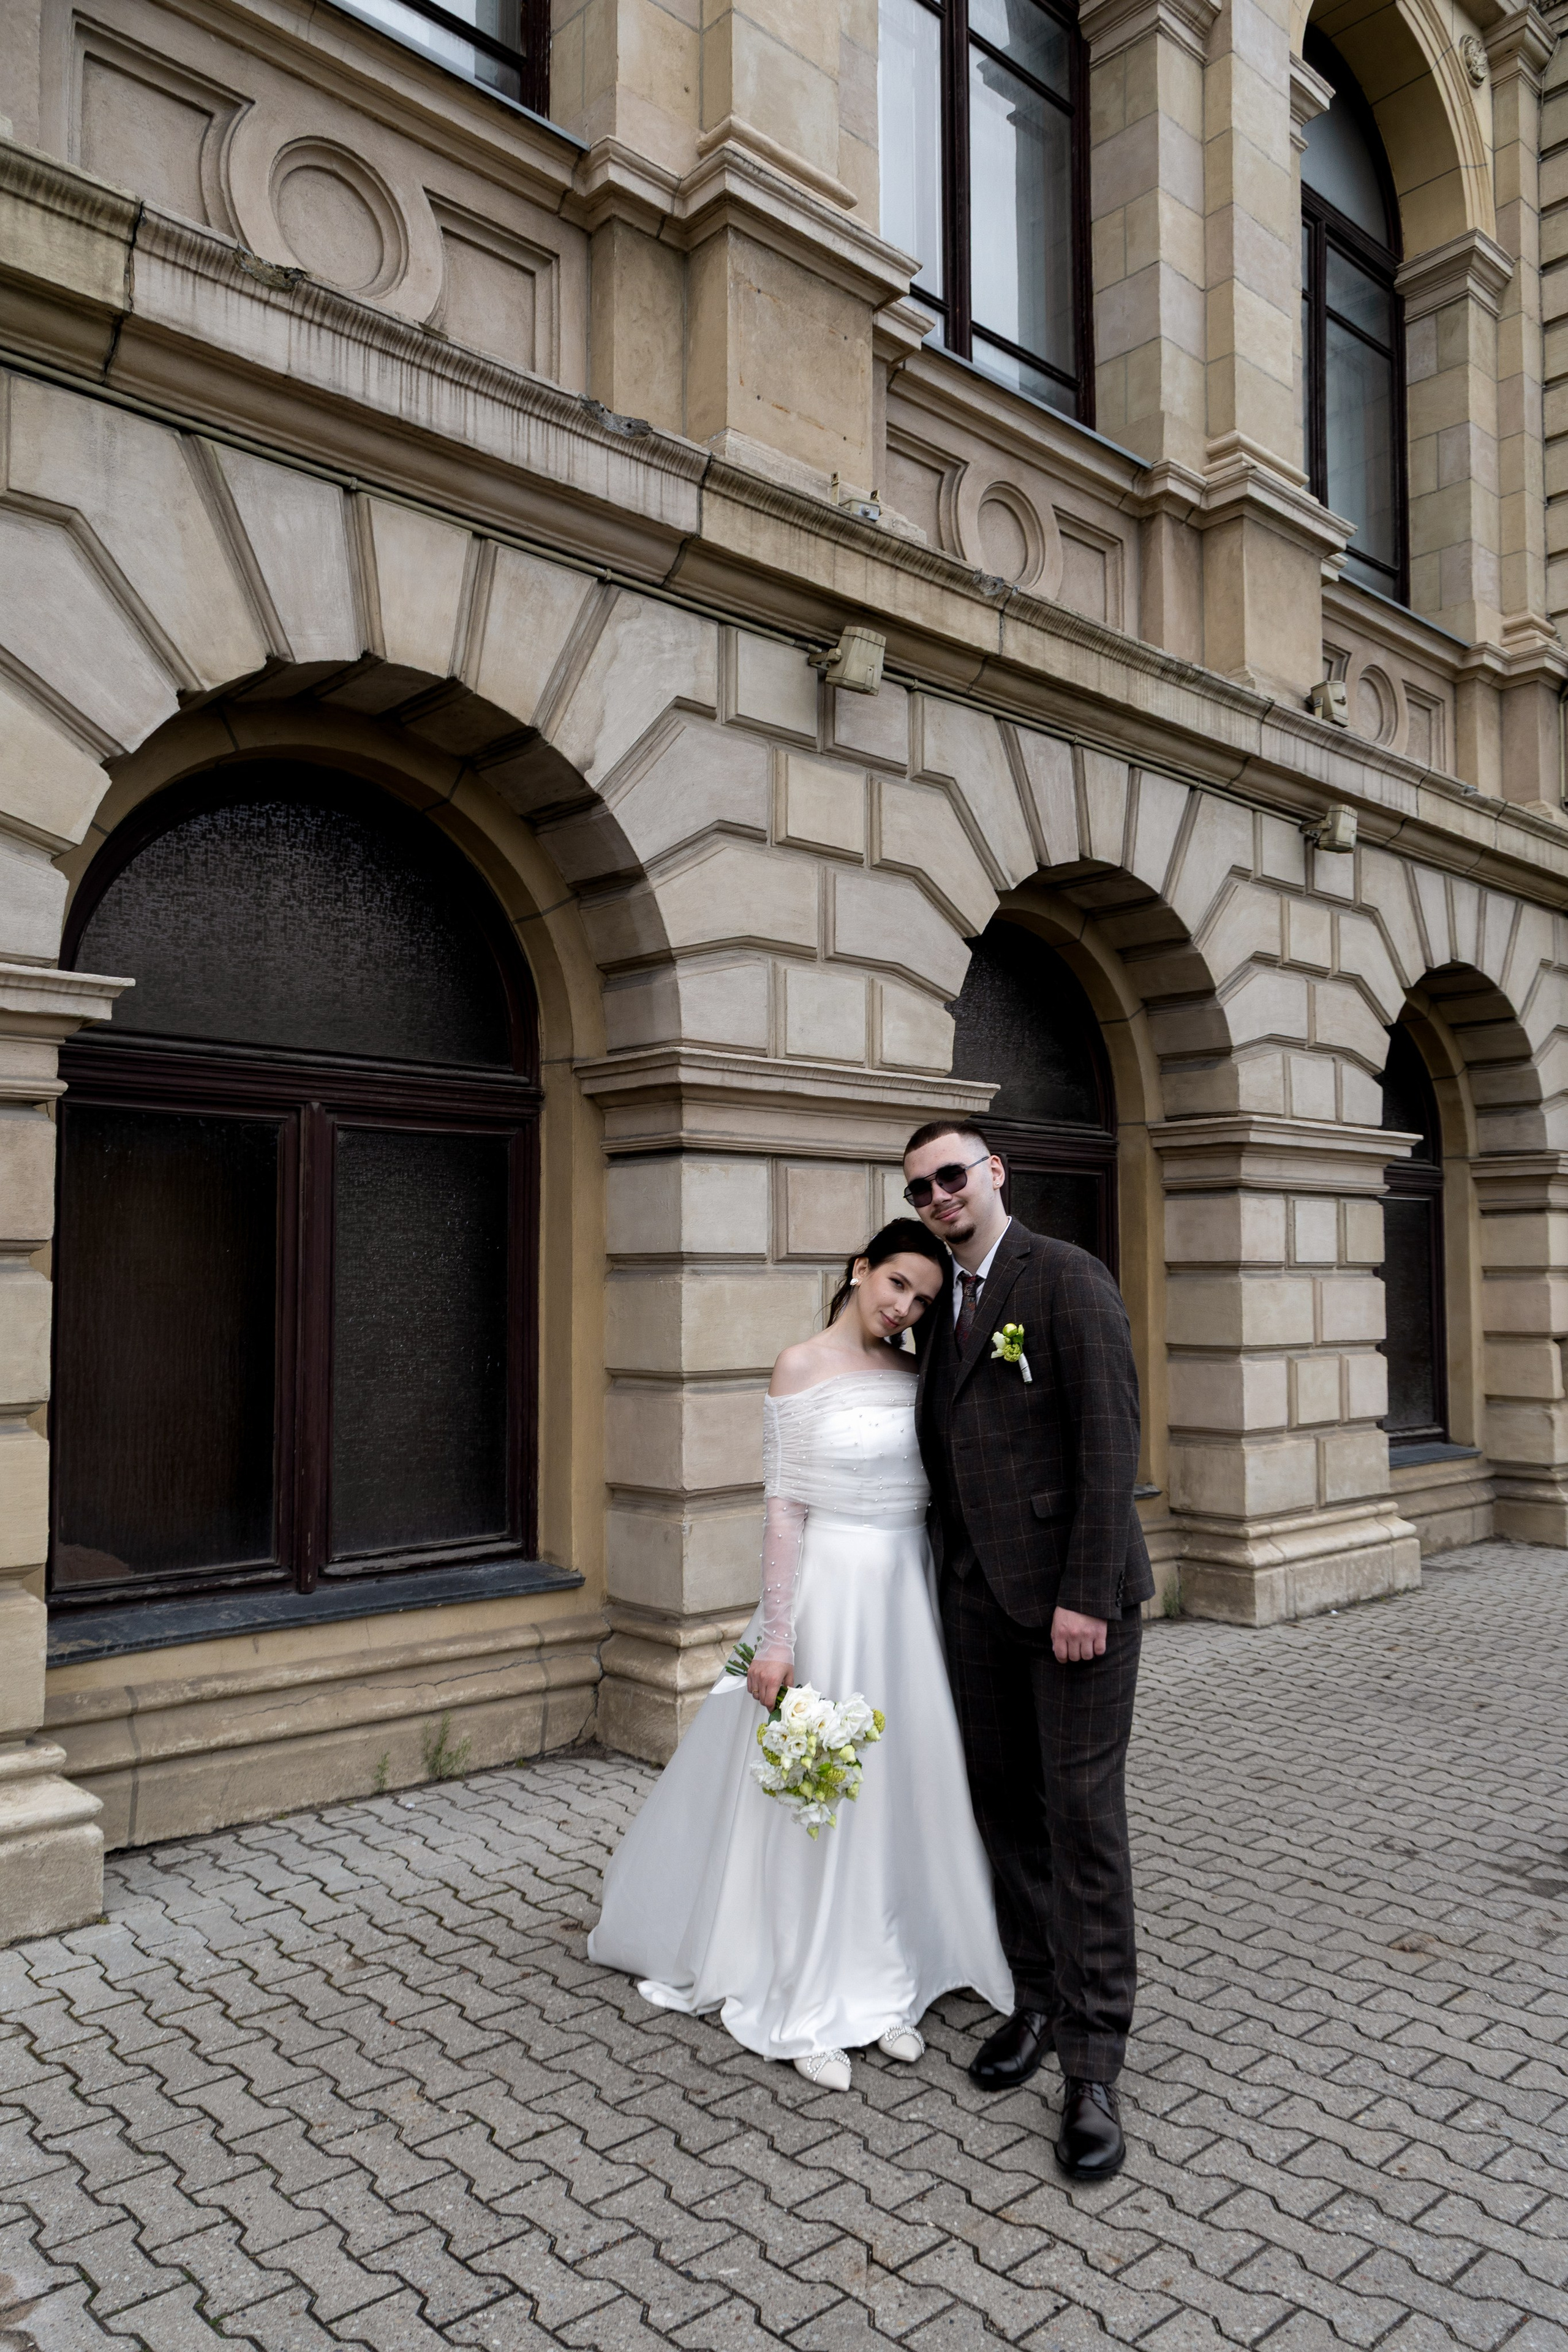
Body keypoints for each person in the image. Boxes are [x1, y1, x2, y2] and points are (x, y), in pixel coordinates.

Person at [588, 1218, 1013, 2091]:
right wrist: (776, 1641)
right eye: (897, 1284)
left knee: (896, 1783)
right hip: (833, 1595)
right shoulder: (799, 1366)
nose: (905, 1309)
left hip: (905, 1599)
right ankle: (807, 1991)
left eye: (924, 1300)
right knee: (820, 1786)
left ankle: (886, 1973)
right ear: (861, 1270)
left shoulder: (918, 1372)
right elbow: (785, 1512)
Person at [903, 1118, 1152, 2179]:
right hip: (974, 1603)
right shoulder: (942, 1305)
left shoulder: (1067, 1278)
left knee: (1080, 1821)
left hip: (1069, 1608)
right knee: (1003, 1808)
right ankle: (1039, 1998)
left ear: (995, 1173)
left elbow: (1111, 1438)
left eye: (952, 1176)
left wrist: (1086, 1593)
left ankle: (1093, 2068)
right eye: (920, 1189)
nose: (939, 1197)